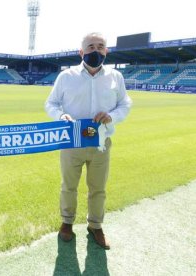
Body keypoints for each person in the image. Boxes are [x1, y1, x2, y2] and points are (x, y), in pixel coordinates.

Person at [45, 32, 132, 250]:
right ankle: (67, 223)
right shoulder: (66, 76)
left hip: (101, 143)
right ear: (81, 52)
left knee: (98, 188)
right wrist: (60, 116)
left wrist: (112, 116)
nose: (96, 50)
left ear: (106, 50)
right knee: (69, 186)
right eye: (90, 47)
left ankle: (95, 225)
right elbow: (51, 104)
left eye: (100, 46)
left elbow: (125, 104)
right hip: (71, 142)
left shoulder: (115, 77)